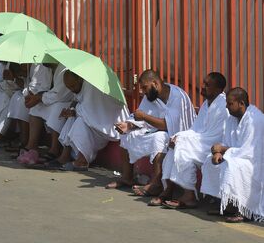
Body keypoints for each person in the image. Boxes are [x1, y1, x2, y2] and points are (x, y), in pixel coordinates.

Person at [106, 69, 196, 198]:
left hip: (178, 134)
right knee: (128, 135)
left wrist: (144, 117)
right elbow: (141, 117)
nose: (143, 91)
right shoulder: (151, 96)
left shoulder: (177, 97)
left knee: (159, 138)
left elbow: (167, 125)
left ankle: (156, 184)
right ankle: (127, 177)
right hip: (157, 130)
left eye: (144, 87)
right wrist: (128, 125)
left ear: (155, 83)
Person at [159, 72, 229, 209]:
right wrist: (178, 136)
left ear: (219, 89)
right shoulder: (206, 104)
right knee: (177, 147)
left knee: (182, 146)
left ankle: (188, 194)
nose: (203, 87)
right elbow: (196, 129)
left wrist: (182, 139)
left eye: (207, 85)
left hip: (212, 144)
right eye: (204, 83)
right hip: (201, 142)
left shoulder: (223, 106)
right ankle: (175, 190)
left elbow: (215, 135)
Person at [41, 70, 130, 171]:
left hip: (109, 124)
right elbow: (79, 101)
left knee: (80, 121)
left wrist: (73, 112)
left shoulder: (91, 85)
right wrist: (71, 110)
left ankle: (81, 161)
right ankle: (64, 156)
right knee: (74, 118)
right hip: (96, 120)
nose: (72, 90)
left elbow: (89, 109)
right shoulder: (83, 83)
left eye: (73, 87)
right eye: (69, 88)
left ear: (79, 79)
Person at [200, 88, 264, 223]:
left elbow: (249, 152)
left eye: (229, 104)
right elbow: (226, 141)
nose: (226, 107)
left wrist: (223, 149)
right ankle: (226, 205)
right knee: (210, 162)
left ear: (241, 103)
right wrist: (218, 152)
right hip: (237, 156)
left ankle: (244, 210)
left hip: (254, 163)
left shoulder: (255, 119)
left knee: (232, 165)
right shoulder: (231, 119)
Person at [17, 64, 75, 165]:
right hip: (50, 98)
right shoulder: (45, 67)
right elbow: (41, 86)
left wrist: (39, 97)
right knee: (36, 106)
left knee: (58, 108)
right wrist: (34, 96)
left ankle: (54, 149)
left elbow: (60, 95)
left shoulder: (65, 69)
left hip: (65, 101)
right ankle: (32, 144)